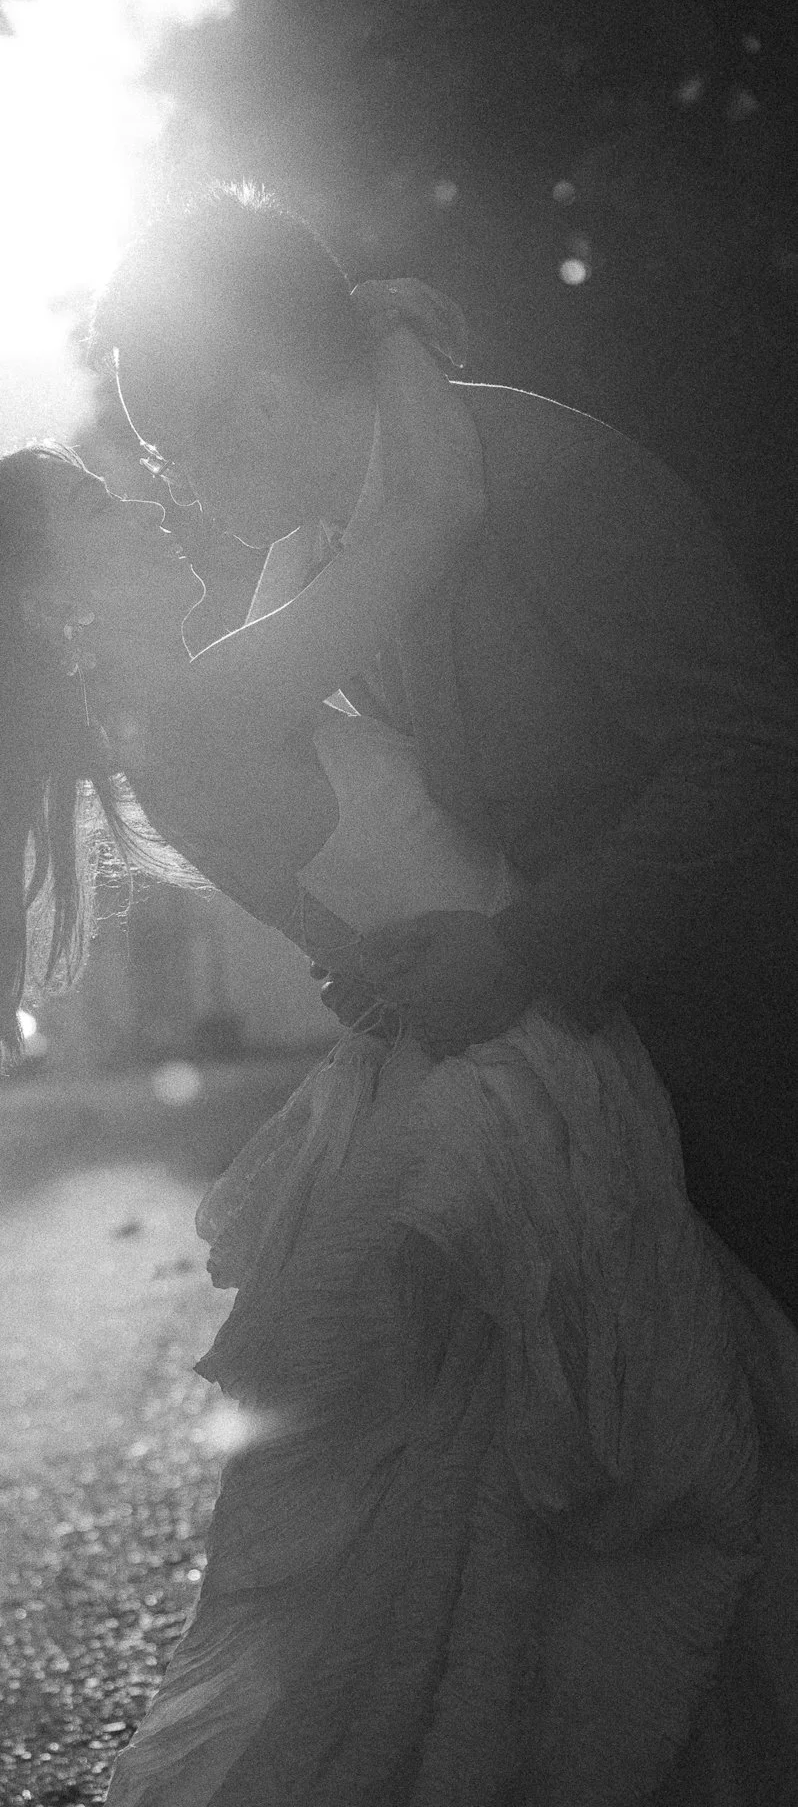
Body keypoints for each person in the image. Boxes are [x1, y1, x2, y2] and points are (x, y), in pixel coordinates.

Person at [0, 411, 798, 1801]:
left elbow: (313, 546)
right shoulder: (205, 706)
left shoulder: (181, 708)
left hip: (480, 1058)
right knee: (550, 1532)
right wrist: (392, 338)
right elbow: (425, 510)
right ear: (49, 604)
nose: (143, 502)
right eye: (97, 510)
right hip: (516, 1068)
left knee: (491, 1556)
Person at [90, 183, 798, 1331]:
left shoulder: (542, 478)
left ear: (261, 403)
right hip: (614, 1117)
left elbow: (749, 752)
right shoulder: (350, 555)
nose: (181, 492)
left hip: (749, 1067)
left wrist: (520, 950)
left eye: (175, 454)